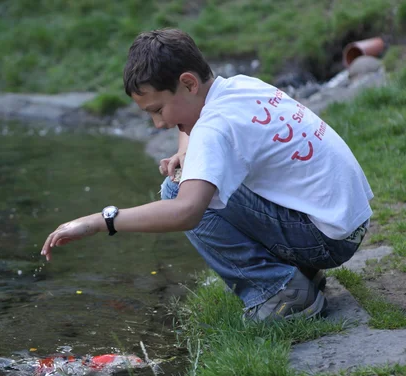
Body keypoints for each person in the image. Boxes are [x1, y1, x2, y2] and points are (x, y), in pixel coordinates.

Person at [41, 28, 373, 322]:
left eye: (158, 110)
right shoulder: (239, 87)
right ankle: (301, 275)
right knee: (199, 176)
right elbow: (195, 120)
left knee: (176, 192)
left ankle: (281, 293)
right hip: (347, 223)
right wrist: (186, 150)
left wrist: (102, 220)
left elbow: (186, 212)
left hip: (324, 238)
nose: (159, 124)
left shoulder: (215, 128)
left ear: (188, 83)